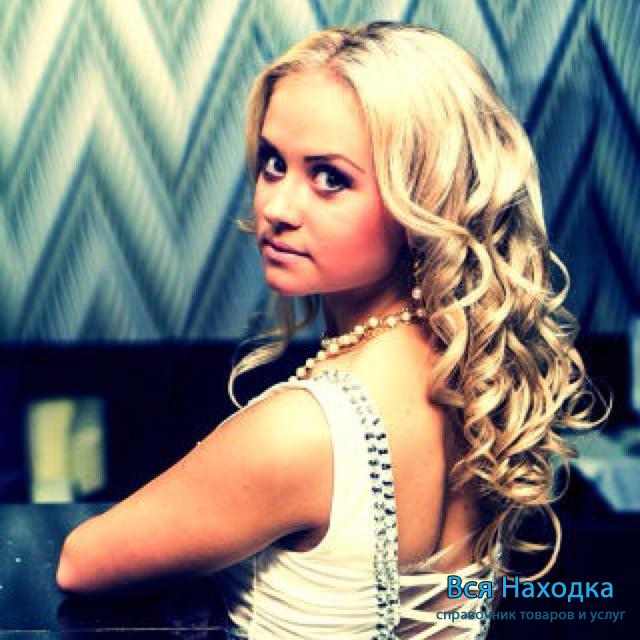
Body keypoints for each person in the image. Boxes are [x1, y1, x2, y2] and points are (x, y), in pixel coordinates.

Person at [56, 21, 609, 639]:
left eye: (330, 178)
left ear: (424, 200)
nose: (276, 208)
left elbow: (83, 561)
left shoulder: (306, 429)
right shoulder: (469, 375)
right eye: (273, 164)